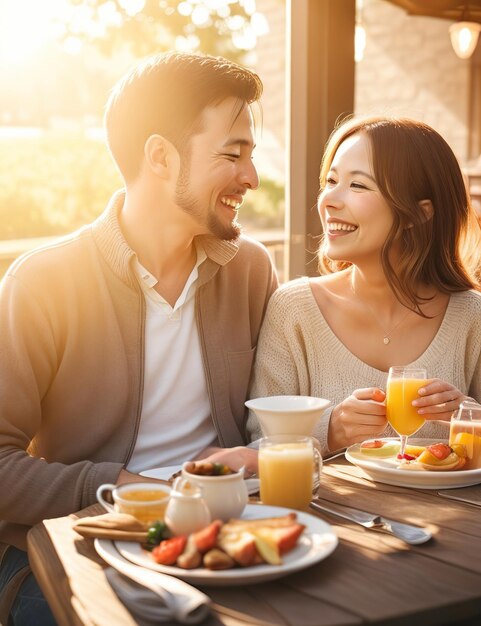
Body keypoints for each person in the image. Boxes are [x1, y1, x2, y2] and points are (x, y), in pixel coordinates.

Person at [0, 51, 278, 624]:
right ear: (160, 156)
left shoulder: (251, 270)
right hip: (82, 548)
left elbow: (272, 419)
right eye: (234, 153)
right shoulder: (44, 281)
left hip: (223, 537)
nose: (251, 177)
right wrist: (127, 486)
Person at [248, 115, 481, 455]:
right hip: (326, 510)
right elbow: (256, 442)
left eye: (357, 185)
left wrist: (469, 418)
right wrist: (330, 429)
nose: (329, 200)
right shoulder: (294, 309)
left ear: (419, 214)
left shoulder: (471, 316)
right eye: (330, 181)